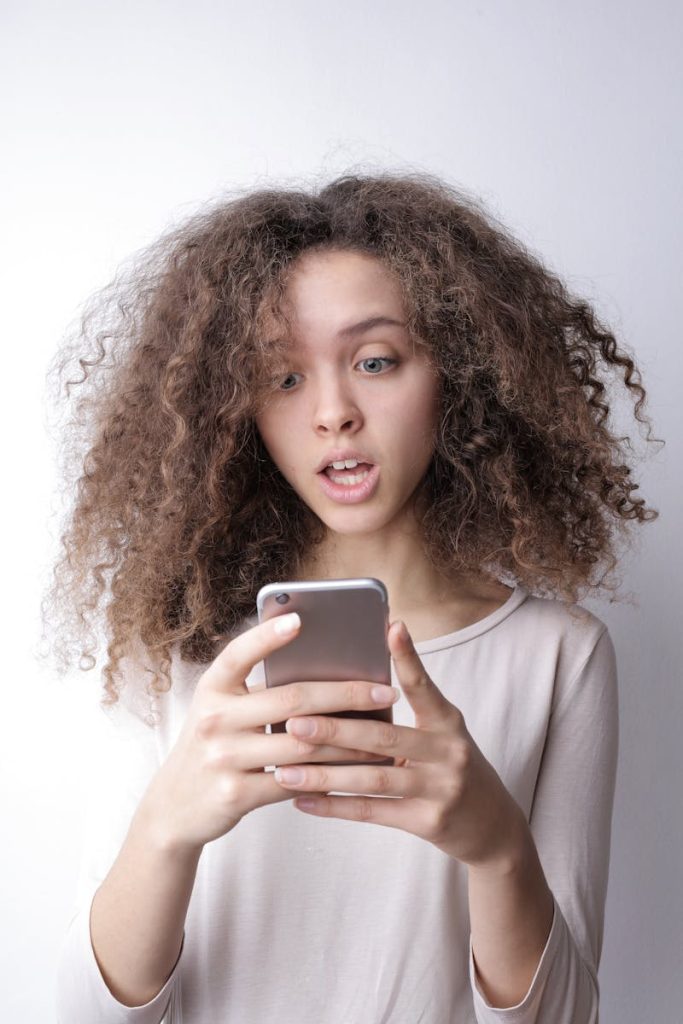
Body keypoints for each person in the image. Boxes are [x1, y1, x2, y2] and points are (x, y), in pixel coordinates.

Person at [48, 171, 658, 1023]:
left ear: (459, 376)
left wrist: (496, 847)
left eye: (375, 361)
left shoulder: (558, 655)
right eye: (283, 377)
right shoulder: (180, 651)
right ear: (237, 409)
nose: (333, 411)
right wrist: (166, 827)